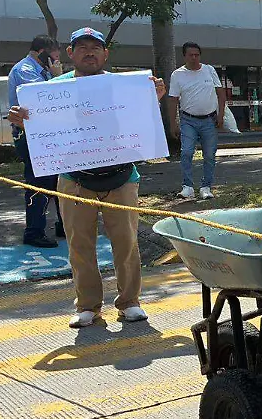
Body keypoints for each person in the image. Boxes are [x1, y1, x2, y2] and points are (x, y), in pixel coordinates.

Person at [9, 28, 166, 328]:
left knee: (127, 243)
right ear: (70, 53)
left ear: (105, 55)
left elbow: (142, 123)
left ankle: (130, 302)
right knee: (79, 246)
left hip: (121, 177)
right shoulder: (50, 92)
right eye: (82, 47)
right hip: (74, 179)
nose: (89, 52)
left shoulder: (127, 87)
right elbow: (44, 134)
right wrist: (24, 121)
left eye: (96, 47)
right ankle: (88, 306)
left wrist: (152, 98)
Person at [7, 34, 65, 248]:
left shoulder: (41, 71)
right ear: (43, 54)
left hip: (48, 135)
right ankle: (34, 231)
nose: (57, 64)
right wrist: (56, 77)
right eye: (55, 58)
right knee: (39, 182)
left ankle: (64, 224)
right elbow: (41, 99)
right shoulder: (25, 71)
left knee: (59, 179)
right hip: (30, 136)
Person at [169, 42, 225, 200]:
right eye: (190, 55)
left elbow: (220, 93)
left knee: (209, 155)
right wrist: (173, 123)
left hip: (209, 120)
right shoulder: (177, 74)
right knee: (186, 152)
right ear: (184, 56)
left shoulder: (209, 70)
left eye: (197, 55)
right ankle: (187, 187)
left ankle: (206, 186)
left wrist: (220, 116)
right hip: (188, 120)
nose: (194, 58)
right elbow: (173, 100)